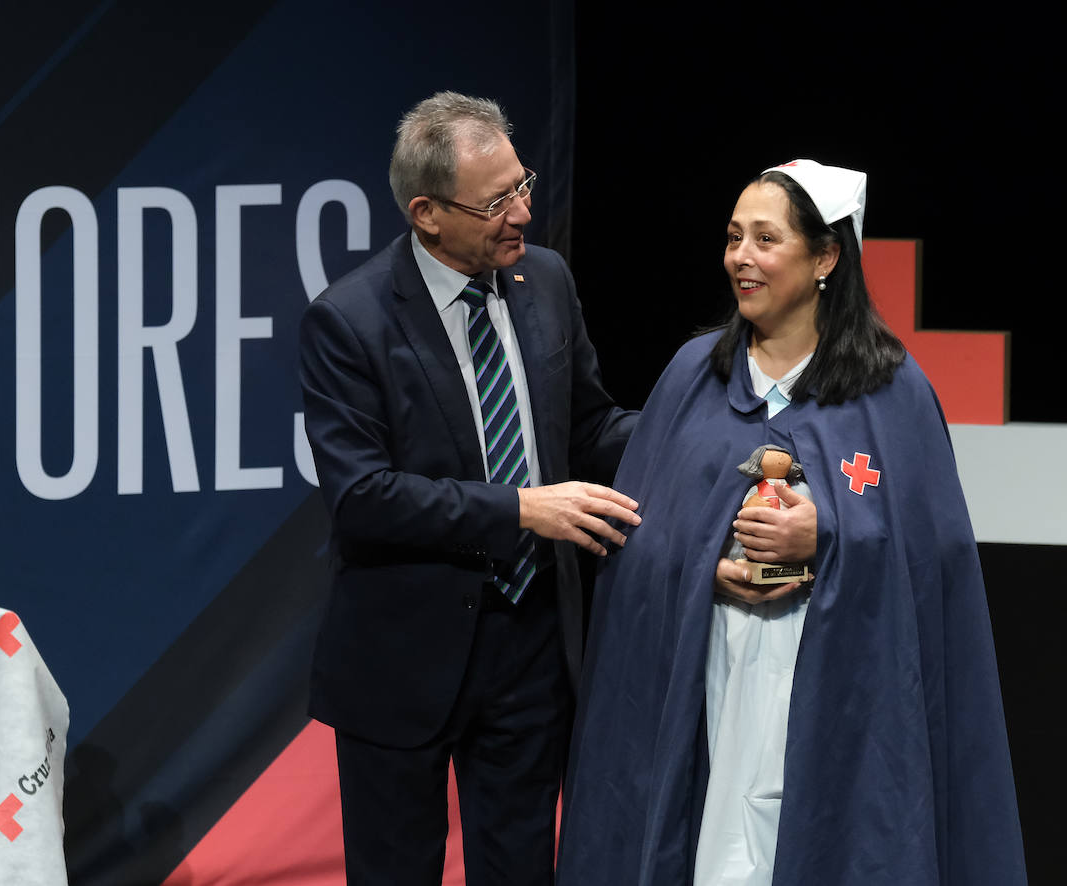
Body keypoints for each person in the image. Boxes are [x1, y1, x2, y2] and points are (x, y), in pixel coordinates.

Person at [556, 160, 1026, 885]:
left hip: (838, 700)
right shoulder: (690, 377)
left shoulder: (894, 392)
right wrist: (703, 563)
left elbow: (937, 564)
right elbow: (641, 537)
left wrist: (828, 537)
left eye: (766, 240)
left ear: (826, 257)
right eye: (734, 237)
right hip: (708, 683)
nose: (740, 258)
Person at [298, 91, 639, 885]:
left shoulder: (544, 280)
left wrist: (692, 432)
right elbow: (363, 497)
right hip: (402, 658)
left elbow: (587, 428)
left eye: (524, 185)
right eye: (498, 202)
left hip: (530, 646)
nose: (524, 212)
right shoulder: (349, 322)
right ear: (427, 214)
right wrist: (521, 508)